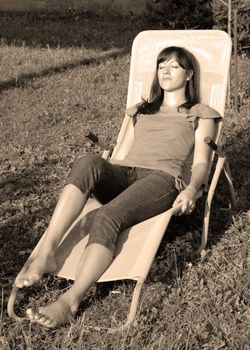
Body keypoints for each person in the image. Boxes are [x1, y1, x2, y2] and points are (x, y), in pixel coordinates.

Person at [14, 46, 221, 328]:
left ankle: (70, 300)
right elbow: (120, 155)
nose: (166, 71)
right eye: (162, 66)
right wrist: (103, 169)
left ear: (189, 74)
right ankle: (47, 251)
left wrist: (192, 188)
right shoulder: (139, 111)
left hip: (161, 179)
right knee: (89, 161)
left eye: (174, 66)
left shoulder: (201, 114)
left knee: (107, 216)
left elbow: (201, 163)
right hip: (125, 173)